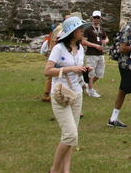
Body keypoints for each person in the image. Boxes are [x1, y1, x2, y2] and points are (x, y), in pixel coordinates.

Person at [44, 16, 92, 173]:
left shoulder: (80, 49)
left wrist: (83, 70)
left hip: (77, 94)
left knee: (72, 136)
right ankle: (54, 169)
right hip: (60, 94)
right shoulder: (59, 49)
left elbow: (77, 72)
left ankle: (66, 170)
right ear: (72, 32)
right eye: (79, 29)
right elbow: (47, 71)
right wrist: (69, 69)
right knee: (70, 135)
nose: (82, 31)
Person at [82, 10, 108, 98]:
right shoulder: (88, 29)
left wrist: (105, 41)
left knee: (100, 73)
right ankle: (90, 90)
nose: (96, 19)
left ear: (100, 19)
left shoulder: (102, 29)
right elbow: (83, 41)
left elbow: (106, 38)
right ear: (92, 18)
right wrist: (95, 46)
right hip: (91, 54)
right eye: (95, 17)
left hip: (100, 53)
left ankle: (87, 85)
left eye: (98, 18)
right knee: (91, 73)